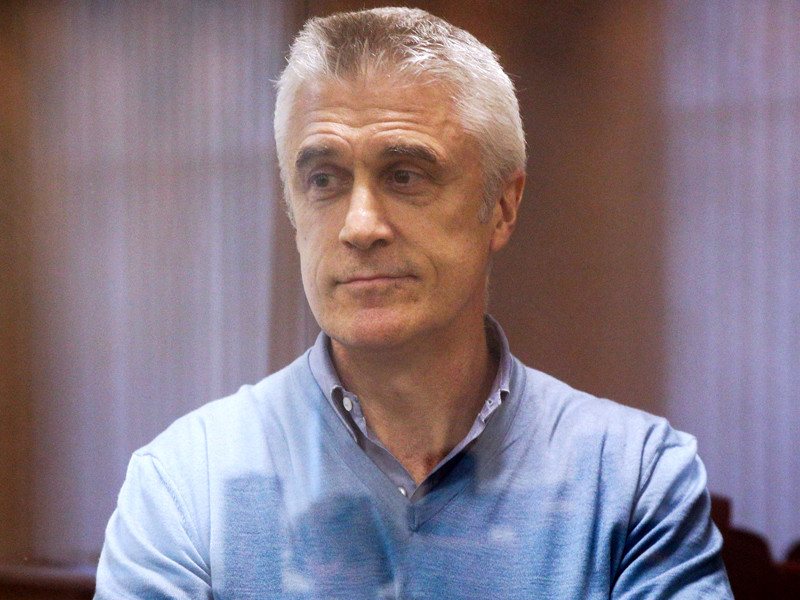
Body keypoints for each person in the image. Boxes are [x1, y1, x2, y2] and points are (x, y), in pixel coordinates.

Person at [94, 7, 733, 599]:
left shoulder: (636, 478)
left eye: (405, 175)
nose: (359, 226)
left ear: (502, 206)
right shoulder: (185, 486)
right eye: (323, 180)